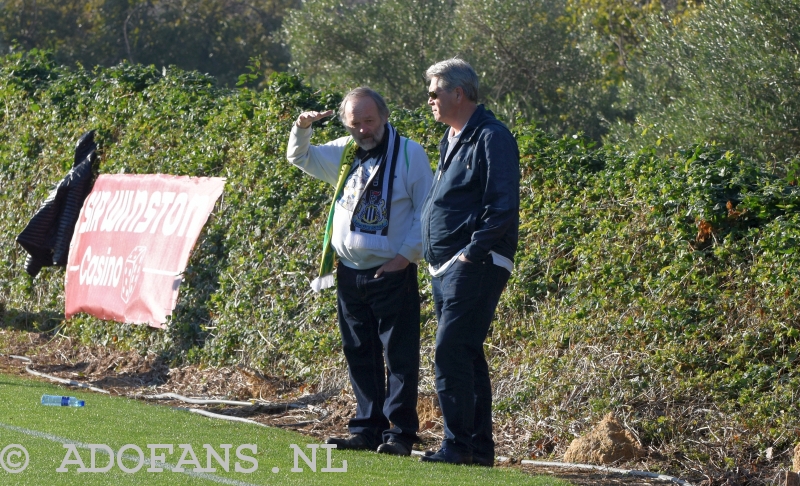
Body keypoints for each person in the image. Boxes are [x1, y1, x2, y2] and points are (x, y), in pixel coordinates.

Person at [286, 87, 433, 456]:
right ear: (346, 125)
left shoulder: (410, 154)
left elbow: (425, 210)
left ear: (384, 116)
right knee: (359, 352)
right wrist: (302, 127)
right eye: (356, 124)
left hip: (392, 271)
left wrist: (404, 257)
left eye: (369, 121)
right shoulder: (345, 150)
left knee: (399, 355)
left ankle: (400, 433)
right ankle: (367, 428)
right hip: (349, 271)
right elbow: (299, 156)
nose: (364, 130)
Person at [419, 58, 520, 466]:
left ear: (458, 93)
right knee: (465, 352)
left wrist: (472, 251)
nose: (428, 100)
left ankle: (458, 446)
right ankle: (478, 450)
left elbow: (502, 204)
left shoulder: (492, 136)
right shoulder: (452, 136)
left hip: (475, 262)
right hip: (445, 265)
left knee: (450, 351)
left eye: (434, 93)